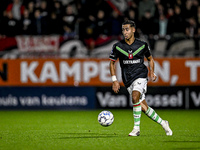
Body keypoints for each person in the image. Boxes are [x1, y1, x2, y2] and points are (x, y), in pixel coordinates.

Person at [109, 20, 173, 136]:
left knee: (135, 97)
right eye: (123, 29)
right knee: (143, 107)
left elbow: (150, 59)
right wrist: (114, 80)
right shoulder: (118, 46)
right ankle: (163, 123)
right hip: (128, 80)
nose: (125, 32)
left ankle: (136, 129)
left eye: (127, 29)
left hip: (141, 76)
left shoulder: (142, 45)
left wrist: (152, 72)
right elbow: (112, 63)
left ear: (133, 30)